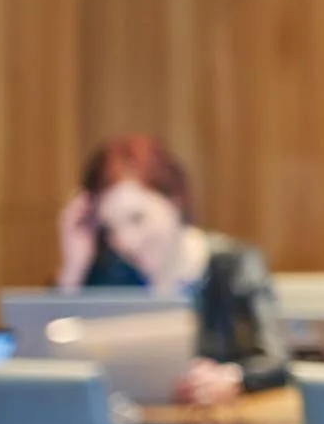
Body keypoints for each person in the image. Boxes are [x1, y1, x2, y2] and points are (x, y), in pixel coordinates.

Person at [54, 135, 285, 401]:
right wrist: (73, 265)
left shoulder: (233, 265)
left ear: (175, 200)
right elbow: (59, 362)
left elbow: (277, 360)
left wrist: (233, 376)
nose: (126, 241)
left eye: (137, 218)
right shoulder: (111, 273)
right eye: (111, 228)